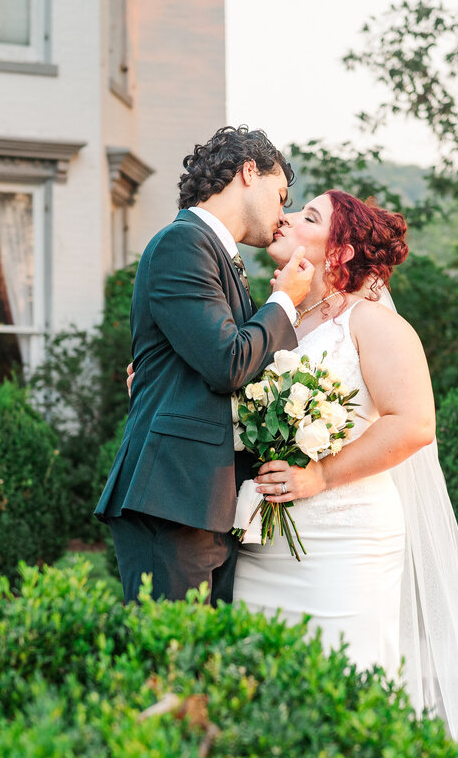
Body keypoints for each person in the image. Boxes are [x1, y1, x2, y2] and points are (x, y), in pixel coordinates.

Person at [232, 190, 458, 758]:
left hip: (345, 543)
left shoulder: (373, 326)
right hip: (264, 544)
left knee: (342, 692)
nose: (287, 218)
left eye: (310, 216)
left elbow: (413, 424)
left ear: (338, 251)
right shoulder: (271, 318)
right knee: (259, 693)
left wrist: (317, 477)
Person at [94, 125, 314, 605]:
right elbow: (228, 362)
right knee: (167, 667)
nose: (282, 214)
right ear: (248, 172)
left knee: (200, 670)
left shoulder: (220, 255)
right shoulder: (183, 243)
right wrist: (283, 304)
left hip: (205, 499)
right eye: (280, 195)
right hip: (172, 496)